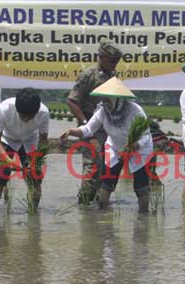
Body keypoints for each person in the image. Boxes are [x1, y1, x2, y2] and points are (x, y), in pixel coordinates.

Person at [60, 77, 153, 213]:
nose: (105, 102)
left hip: (138, 149)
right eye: (103, 98)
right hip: (115, 148)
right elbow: (87, 129)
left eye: (108, 99)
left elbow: (145, 134)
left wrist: (135, 146)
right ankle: (102, 217)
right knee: (107, 184)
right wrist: (71, 131)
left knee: (141, 186)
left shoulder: (135, 110)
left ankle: (143, 218)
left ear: (118, 99)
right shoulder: (103, 111)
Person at [67, 39, 122, 205]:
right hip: (90, 127)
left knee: (109, 165)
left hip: (109, 127)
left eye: (117, 62)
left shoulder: (113, 76)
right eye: (112, 61)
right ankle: (84, 205)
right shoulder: (88, 75)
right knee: (93, 165)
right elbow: (72, 101)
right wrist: (86, 125)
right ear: (102, 57)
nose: (114, 65)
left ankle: (100, 201)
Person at [0, 88, 50, 209]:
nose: (26, 120)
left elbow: (43, 141)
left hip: (30, 140)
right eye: (23, 116)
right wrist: (7, 159)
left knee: (34, 178)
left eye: (30, 117)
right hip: (7, 139)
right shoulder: (4, 109)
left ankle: (33, 214)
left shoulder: (44, 113)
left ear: (36, 111)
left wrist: (35, 161)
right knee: (0, 176)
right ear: (17, 109)